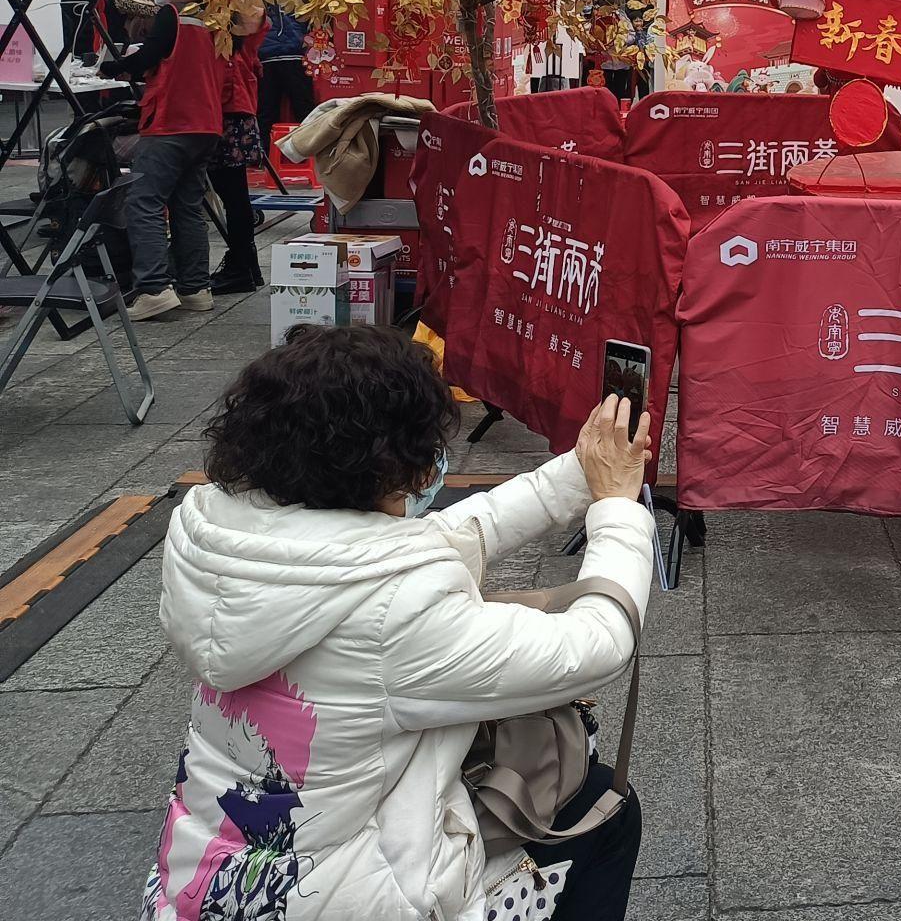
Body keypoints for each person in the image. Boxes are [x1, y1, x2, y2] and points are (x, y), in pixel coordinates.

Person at [145, 325, 653, 921]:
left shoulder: (224, 538)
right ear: (388, 467)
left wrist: (580, 472)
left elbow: (451, 535)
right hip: (354, 898)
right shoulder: (396, 609)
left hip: (203, 882)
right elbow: (596, 644)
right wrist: (618, 510)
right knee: (607, 812)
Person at [98, 0, 223, 321]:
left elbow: (149, 56)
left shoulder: (172, 15)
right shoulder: (216, 20)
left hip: (171, 120)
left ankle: (153, 288)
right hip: (206, 124)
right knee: (188, 205)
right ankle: (195, 287)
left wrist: (114, 66)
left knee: (144, 201)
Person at [208, 0, 268, 294]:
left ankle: (241, 266)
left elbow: (257, 14)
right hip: (235, 114)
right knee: (235, 196)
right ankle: (246, 265)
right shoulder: (237, 36)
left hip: (229, 116)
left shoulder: (233, 34)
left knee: (233, 196)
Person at [255, 2, 314, 145]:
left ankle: (265, 155)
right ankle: (309, 152)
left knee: (266, 111)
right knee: (304, 110)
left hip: (268, 55)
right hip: (294, 54)